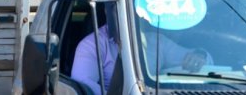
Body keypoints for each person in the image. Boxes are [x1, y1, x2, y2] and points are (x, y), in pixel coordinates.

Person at [72, 22, 210, 95]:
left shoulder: (155, 40)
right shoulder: (92, 44)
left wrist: (200, 56)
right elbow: (83, 85)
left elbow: (194, 59)